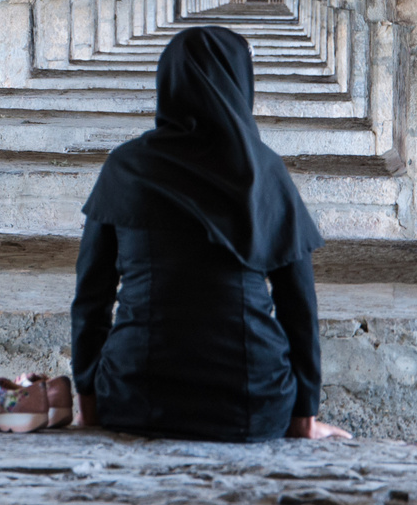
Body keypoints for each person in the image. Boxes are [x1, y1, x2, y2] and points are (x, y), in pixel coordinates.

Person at [71, 25, 351, 441]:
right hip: (253, 400)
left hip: (134, 396)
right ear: (240, 83)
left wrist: (89, 400)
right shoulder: (264, 174)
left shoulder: (126, 167)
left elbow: (92, 296)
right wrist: (304, 415)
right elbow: (298, 303)